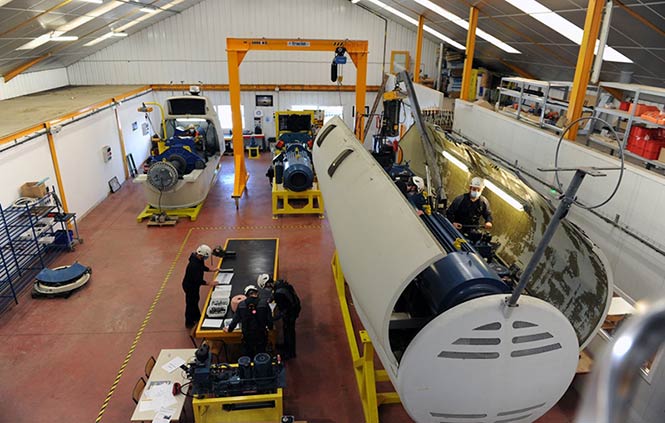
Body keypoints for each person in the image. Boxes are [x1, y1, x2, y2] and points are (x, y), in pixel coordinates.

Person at [257, 274, 301, 360]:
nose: (267, 288)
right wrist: (271, 298)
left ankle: (290, 353)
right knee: (286, 330)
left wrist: (274, 318)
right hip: (294, 305)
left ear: (268, 284)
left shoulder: (278, 294)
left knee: (289, 332)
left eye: (266, 286)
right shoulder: (279, 283)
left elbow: (285, 309)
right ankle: (285, 345)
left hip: (291, 312)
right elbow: (279, 292)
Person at [225, 285, 273, 357]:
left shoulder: (241, 305)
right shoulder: (264, 304)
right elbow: (269, 320)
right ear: (256, 293)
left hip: (247, 336)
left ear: (246, 295)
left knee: (248, 353)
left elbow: (235, 320)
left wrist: (229, 329)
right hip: (261, 335)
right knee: (261, 354)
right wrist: (270, 328)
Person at [182, 244, 215, 328]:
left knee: (195, 300)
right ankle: (189, 322)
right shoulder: (193, 265)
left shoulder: (198, 259)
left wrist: (210, 270)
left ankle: (197, 317)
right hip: (190, 286)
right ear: (201, 255)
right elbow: (198, 281)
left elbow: (202, 267)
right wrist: (209, 283)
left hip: (194, 285)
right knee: (190, 303)